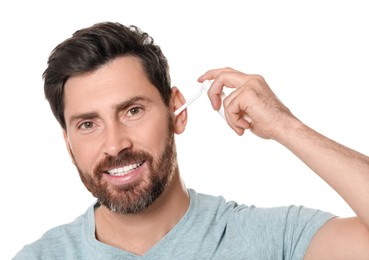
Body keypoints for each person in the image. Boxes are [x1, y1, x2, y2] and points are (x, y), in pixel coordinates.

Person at [13, 21, 369, 259]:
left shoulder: (272, 238)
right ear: (67, 141)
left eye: (133, 111)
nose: (114, 144)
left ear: (177, 112)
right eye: (88, 124)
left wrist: (286, 126)